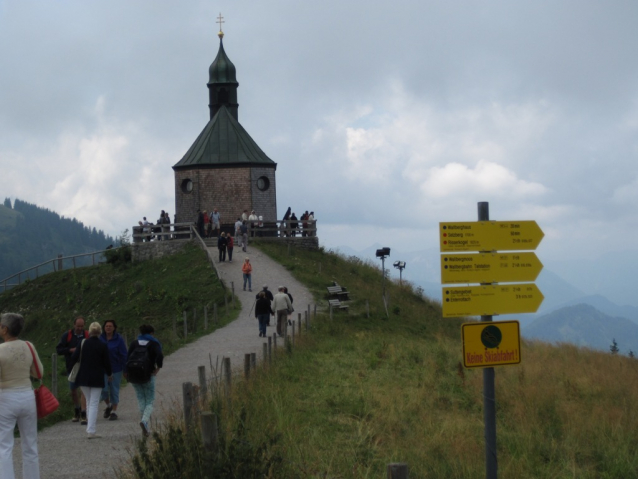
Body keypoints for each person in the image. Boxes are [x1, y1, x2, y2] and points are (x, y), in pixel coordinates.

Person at [0, 313, 43, 478]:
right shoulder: (28, 346)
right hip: (27, 396)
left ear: (5, 329)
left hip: (6, 398)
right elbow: (39, 373)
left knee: (4, 446)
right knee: (30, 444)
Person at [69, 322, 112, 439]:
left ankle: (90, 428)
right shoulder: (103, 345)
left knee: (88, 401)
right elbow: (106, 362)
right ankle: (91, 430)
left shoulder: (83, 343)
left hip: (83, 376)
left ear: (89, 331)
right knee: (93, 403)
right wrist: (109, 373)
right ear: (100, 332)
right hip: (97, 377)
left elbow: (74, 358)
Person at [126, 324, 164, 438]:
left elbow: (127, 357)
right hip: (148, 374)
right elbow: (160, 356)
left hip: (134, 375)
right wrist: (158, 367)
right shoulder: (153, 343)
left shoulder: (134, 343)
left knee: (141, 398)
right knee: (150, 400)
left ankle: (145, 424)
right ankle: (145, 421)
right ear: (151, 333)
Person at [56, 316, 89, 424]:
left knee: (83, 390)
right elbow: (59, 350)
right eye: (78, 326)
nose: (80, 328)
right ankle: (77, 409)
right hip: (72, 367)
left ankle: (84, 413)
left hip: (85, 367)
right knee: (73, 390)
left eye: (81, 326)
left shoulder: (87, 335)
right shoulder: (67, 335)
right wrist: (70, 350)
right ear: (74, 325)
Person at [99, 320, 127, 421]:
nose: (108, 328)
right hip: (103, 369)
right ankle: (109, 405)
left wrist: (125, 369)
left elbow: (124, 354)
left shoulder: (119, 339)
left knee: (114, 390)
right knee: (103, 390)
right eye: (106, 326)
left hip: (116, 368)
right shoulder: (100, 338)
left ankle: (114, 412)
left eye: (110, 326)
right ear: (104, 328)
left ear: (114, 328)